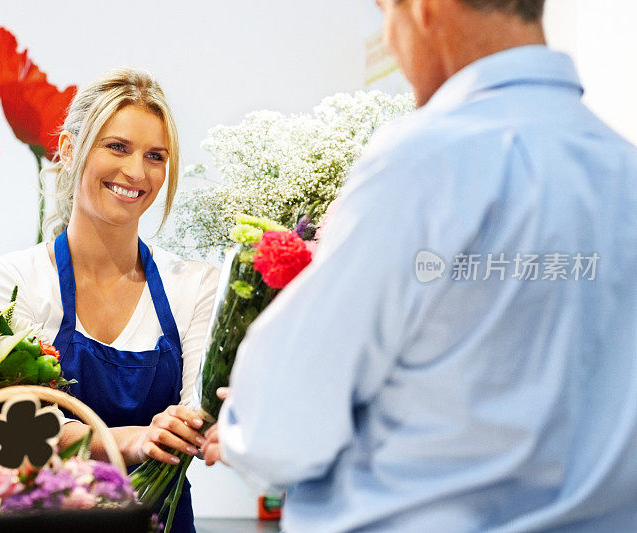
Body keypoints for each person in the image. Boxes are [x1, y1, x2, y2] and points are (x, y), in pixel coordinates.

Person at [202, 0, 637, 531]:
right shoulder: (625, 172)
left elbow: (282, 431)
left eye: (386, 12)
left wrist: (247, 426)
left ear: (424, 8)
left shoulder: (425, 162)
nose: (388, 38)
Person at [0, 68, 218, 531]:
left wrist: (188, 425)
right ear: (69, 150)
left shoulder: (194, 284)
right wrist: (130, 440)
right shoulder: (17, 281)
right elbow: (15, 427)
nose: (136, 172)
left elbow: (200, 407)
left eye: (155, 156)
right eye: (117, 147)